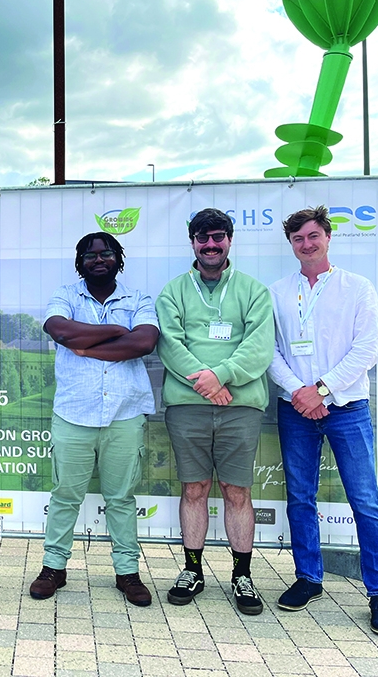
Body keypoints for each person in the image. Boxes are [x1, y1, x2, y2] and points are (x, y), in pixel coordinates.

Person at [268, 205, 378, 636]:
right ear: (291, 244)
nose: (306, 244)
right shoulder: (278, 292)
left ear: (328, 237)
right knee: (300, 499)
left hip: (346, 408)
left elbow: (368, 350)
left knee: (365, 501)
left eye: (313, 236)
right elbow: (270, 352)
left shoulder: (357, 288)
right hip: (295, 410)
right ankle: (309, 578)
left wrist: (320, 390)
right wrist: (300, 394)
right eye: (298, 239)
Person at [29, 233, 159, 605]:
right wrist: (118, 330)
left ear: (119, 258)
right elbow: (59, 330)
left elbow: (144, 343)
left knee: (121, 497)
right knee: (65, 496)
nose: (98, 260)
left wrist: (85, 346)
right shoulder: (66, 296)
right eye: (89, 255)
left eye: (106, 254)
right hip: (74, 414)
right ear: (79, 263)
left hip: (124, 414)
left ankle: (127, 573)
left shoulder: (139, 299)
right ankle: (54, 567)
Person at [156, 208, 274, 615]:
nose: (210, 245)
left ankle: (242, 575)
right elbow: (169, 344)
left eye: (218, 237)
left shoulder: (253, 291)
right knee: (194, 489)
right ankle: (193, 571)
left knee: (237, 491)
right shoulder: (173, 291)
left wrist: (220, 376)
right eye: (202, 239)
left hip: (239, 406)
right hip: (187, 407)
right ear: (192, 242)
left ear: (229, 240)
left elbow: (259, 347)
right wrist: (204, 382)